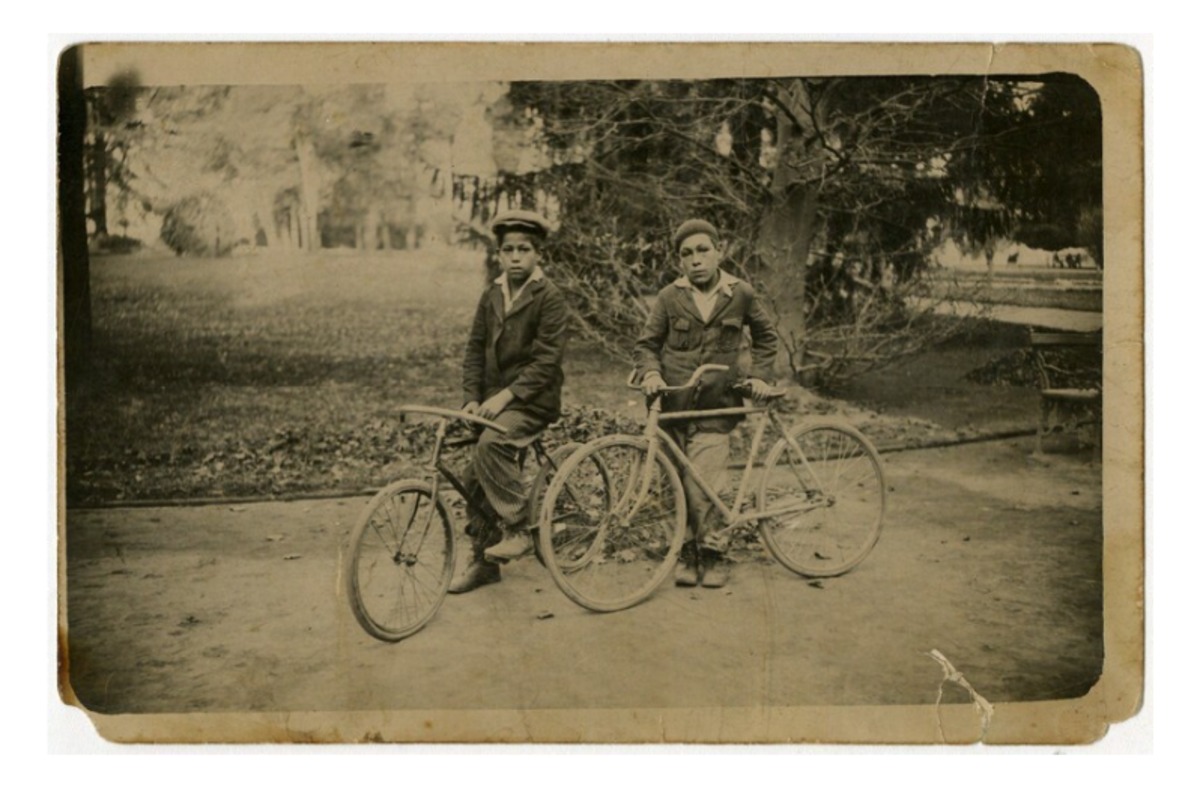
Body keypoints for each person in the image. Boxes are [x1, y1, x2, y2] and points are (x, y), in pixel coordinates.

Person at [634, 219, 780, 588]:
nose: (696, 259)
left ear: (719, 251)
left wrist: (761, 377)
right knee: (675, 484)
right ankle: (686, 552)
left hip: (717, 408)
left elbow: (766, 337)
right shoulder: (670, 297)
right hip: (673, 407)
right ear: (679, 261)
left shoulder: (740, 293)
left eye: (703, 250)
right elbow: (647, 345)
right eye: (687, 254)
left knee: (707, 485)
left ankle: (714, 553)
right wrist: (651, 374)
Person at [450, 209, 569, 593]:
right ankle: (485, 563)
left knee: (492, 444)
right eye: (508, 250)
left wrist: (506, 396)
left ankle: (518, 528)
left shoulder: (548, 297)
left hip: (532, 402)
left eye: (523, 249)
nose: (515, 257)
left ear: (538, 254)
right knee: (472, 477)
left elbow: (546, 361)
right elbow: (473, 350)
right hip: (495, 402)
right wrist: (472, 398)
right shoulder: (492, 294)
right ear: (499, 255)